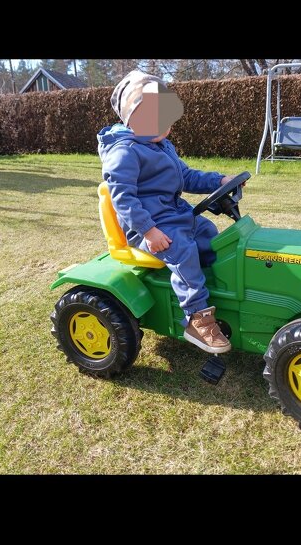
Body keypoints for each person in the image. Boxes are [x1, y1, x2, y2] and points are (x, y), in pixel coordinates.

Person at [97, 70, 243, 353]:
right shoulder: (124, 152)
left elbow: (186, 177)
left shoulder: (161, 146)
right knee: (183, 251)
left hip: (176, 216)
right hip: (149, 227)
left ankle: (218, 287)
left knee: (210, 234)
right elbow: (122, 198)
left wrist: (219, 181)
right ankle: (197, 318)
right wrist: (148, 231)